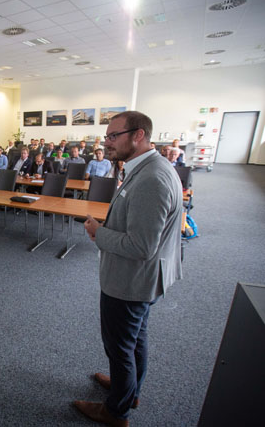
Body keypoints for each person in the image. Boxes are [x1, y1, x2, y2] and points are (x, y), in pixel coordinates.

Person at [78, 111, 183, 426]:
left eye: (113, 136)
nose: (107, 142)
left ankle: (116, 411)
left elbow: (141, 246)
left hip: (132, 281)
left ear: (138, 135)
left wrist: (100, 234)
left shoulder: (152, 178)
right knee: (134, 338)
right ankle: (129, 390)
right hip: (144, 279)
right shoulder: (149, 167)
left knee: (120, 345)